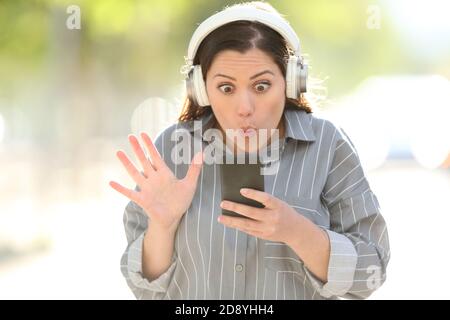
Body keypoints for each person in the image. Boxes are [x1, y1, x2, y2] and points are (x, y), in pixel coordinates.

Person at [110, 1, 390, 300]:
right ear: (201, 89)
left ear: (291, 82)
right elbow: (144, 287)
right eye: (226, 88)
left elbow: (370, 272)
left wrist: (297, 231)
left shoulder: (328, 145)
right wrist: (163, 228)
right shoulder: (172, 148)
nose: (245, 108)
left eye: (261, 86)